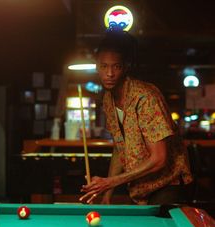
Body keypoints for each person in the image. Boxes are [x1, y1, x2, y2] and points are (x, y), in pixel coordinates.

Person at [79, 31, 193, 205]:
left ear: (125, 67)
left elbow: (159, 159)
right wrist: (107, 194)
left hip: (169, 186)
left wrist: (110, 182)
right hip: (141, 189)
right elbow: (120, 147)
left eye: (116, 66)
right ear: (97, 67)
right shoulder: (108, 100)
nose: (109, 73)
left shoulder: (145, 98)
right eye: (104, 66)